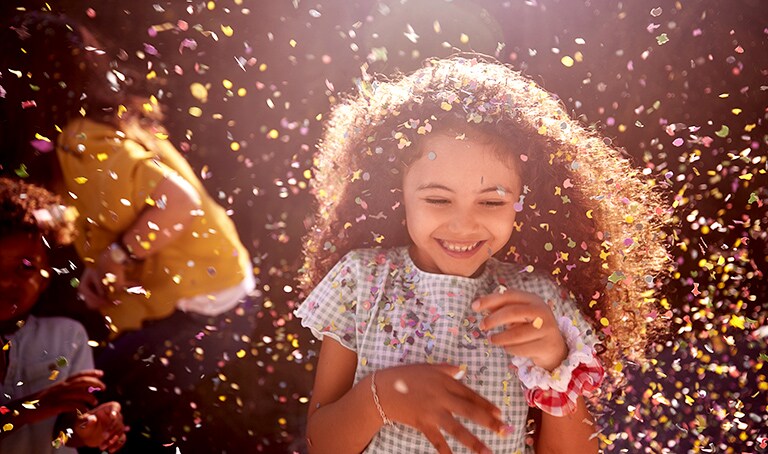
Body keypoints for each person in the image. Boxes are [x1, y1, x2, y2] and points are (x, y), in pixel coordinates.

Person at [295, 55, 671, 453]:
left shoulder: (542, 303)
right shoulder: (361, 281)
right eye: (438, 199)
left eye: (491, 202)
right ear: (397, 194)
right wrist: (383, 398)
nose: (463, 225)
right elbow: (322, 444)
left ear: (524, 202)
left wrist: (554, 362)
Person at [0, 12, 257, 450]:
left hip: (198, 312)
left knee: (100, 409)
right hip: (217, 298)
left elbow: (178, 202)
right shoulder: (117, 125)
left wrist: (118, 257)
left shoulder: (81, 139)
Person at [0, 177, 127, 453]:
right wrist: (37, 405)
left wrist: (91, 428)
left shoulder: (67, 337)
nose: (6, 281)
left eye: (25, 267)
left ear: (46, 277)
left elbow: (64, 432)